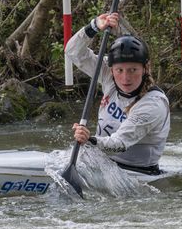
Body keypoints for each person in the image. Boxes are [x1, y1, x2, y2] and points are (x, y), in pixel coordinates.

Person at [66, 12, 170, 175]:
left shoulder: (153, 104)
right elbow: (73, 52)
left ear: (145, 68)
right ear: (112, 68)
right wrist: (94, 27)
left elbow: (119, 143)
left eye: (133, 70)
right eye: (119, 70)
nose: (125, 78)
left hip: (135, 173)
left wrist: (89, 140)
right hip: (100, 161)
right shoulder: (108, 74)